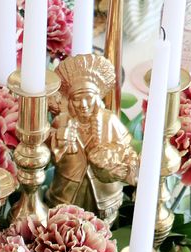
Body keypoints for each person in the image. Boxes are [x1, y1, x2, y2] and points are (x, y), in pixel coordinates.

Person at [48, 53, 139, 224]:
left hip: (105, 195)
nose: (83, 105)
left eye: (88, 98)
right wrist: (59, 137)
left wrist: (123, 165)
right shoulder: (62, 121)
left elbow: (127, 151)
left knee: (104, 237)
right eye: (77, 99)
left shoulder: (109, 120)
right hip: (67, 193)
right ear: (70, 101)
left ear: (97, 98)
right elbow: (48, 155)